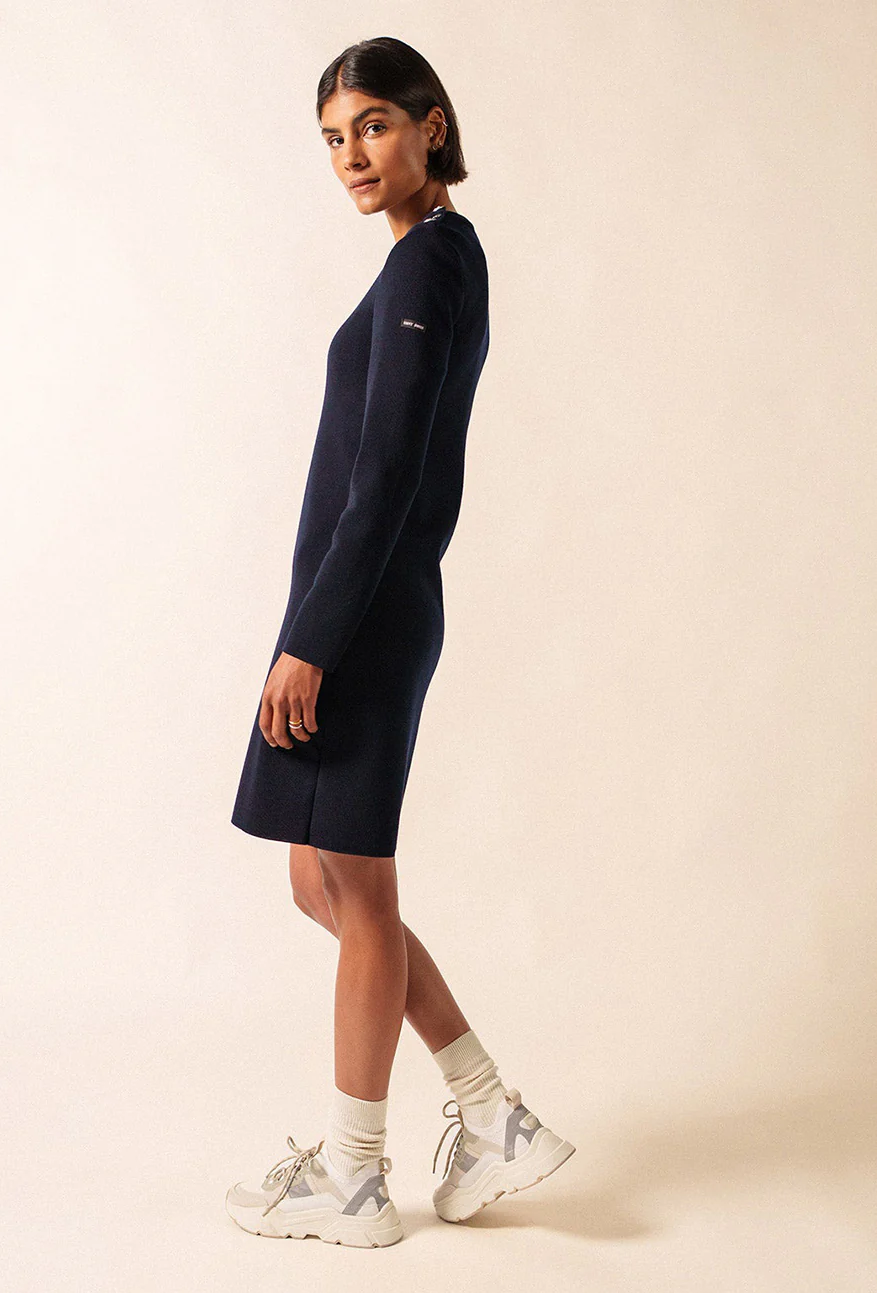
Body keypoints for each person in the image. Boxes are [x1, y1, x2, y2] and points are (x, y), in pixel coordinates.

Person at [226, 37, 575, 1246]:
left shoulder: (430, 256)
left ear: (430, 126)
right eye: (333, 138)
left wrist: (312, 640)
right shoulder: (423, 258)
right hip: (353, 608)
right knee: (316, 878)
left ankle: (355, 1174)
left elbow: (385, 476)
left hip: (363, 616)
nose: (350, 156)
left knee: (357, 888)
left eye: (372, 125)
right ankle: (488, 1111)